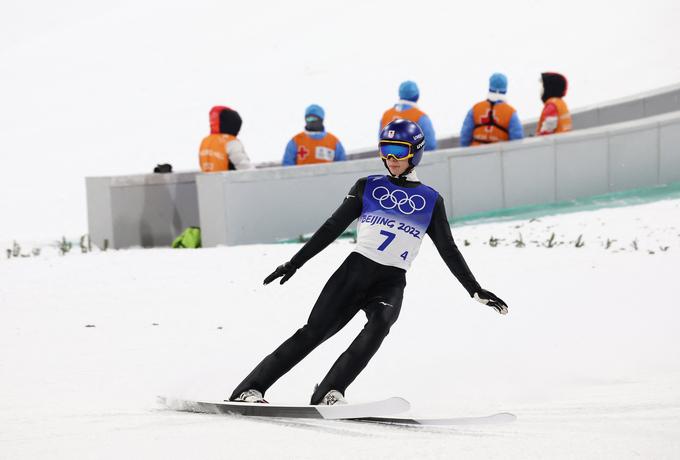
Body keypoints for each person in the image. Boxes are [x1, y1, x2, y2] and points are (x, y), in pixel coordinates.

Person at [229, 118, 509, 406]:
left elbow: (448, 249)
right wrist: (295, 262)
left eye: (398, 151)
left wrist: (474, 289)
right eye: (385, 150)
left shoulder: (430, 200)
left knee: (380, 325)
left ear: (415, 152)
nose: (391, 159)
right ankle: (249, 389)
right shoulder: (367, 186)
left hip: (391, 281)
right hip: (354, 272)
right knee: (312, 334)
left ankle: (329, 391)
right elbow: (331, 227)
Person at [460, 73, 523, 146]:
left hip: (476, 153)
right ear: (505, 89)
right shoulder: (510, 112)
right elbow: (517, 139)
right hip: (500, 154)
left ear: (489, 87)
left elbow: (465, 136)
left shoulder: (475, 109)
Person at [380, 81, 437, 151]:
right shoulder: (420, 117)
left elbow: (381, 143)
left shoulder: (387, 115)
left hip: (389, 159)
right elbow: (430, 145)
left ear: (400, 94)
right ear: (417, 95)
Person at [282, 105, 346, 166]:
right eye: (308, 119)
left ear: (321, 120)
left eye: (313, 118)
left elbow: (341, 164)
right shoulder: (296, 141)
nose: (310, 121)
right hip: (303, 177)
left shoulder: (333, 141)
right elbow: (287, 164)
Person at [199, 106, 254, 172]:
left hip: (207, 181)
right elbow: (244, 166)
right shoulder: (231, 142)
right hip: (227, 181)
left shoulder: (205, 141)